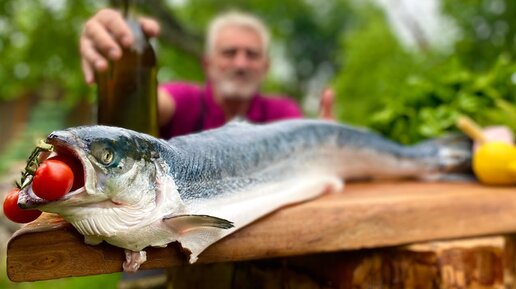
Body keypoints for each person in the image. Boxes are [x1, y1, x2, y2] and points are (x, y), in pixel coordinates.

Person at [80, 9, 334, 139]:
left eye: (252, 54)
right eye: (229, 52)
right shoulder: (183, 101)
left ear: (265, 67)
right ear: (207, 64)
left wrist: (325, 144)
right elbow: (144, 104)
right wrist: (119, 58)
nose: (241, 63)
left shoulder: (283, 114)